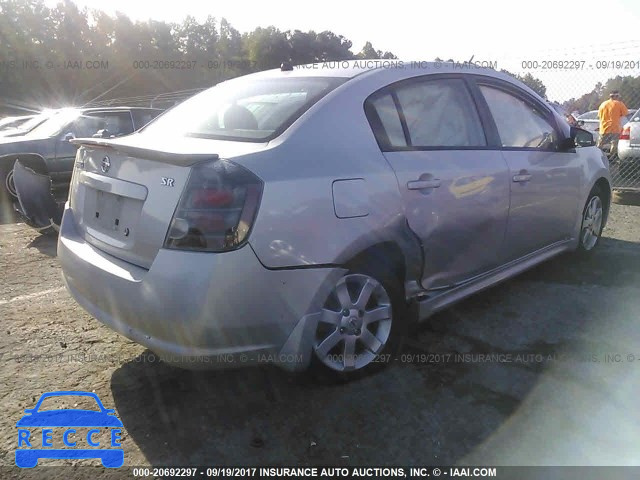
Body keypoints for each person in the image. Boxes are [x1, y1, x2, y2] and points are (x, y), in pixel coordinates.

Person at [597, 90, 628, 158]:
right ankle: (611, 157)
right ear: (616, 96)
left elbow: (599, 116)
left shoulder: (603, 104)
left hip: (604, 127)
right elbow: (625, 113)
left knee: (601, 143)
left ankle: (597, 155)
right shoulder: (619, 104)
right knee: (614, 143)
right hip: (615, 127)